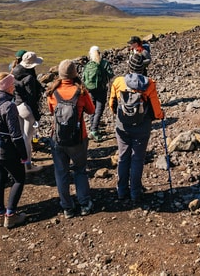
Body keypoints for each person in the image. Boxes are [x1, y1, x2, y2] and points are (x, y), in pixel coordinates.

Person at [108, 53, 164, 204]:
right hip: (141, 127)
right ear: (143, 68)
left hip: (122, 126)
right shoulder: (149, 84)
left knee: (122, 157)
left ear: (129, 66)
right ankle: (135, 192)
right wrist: (160, 115)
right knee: (137, 159)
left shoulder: (119, 81)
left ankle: (121, 191)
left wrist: (118, 116)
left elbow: (112, 103)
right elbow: (156, 109)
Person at [46, 59, 95, 218]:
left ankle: (67, 207)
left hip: (57, 138)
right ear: (75, 73)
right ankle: (84, 203)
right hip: (78, 138)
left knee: (61, 173)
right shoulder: (81, 92)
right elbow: (91, 110)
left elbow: (51, 111)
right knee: (80, 170)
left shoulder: (52, 92)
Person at [0, 72, 28, 229]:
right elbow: (16, 136)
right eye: (12, 85)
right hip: (7, 150)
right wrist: (24, 155)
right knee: (19, 179)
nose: (14, 87)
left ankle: (0, 215)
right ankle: (11, 215)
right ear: (7, 87)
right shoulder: (9, 106)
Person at [12, 51, 45, 173]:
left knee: (21, 136)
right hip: (26, 107)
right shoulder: (29, 77)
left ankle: (20, 163)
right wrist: (36, 115)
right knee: (27, 137)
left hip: (17, 105)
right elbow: (32, 98)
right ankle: (28, 166)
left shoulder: (15, 72)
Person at [82, 45, 114, 142]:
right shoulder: (104, 63)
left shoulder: (88, 65)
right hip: (101, 89)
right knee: (99, 110)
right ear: (99, 53)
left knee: (92, 109)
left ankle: (93, 127)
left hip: (90, 90)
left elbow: (83, 78)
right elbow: (111, 74)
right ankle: (94, 130)